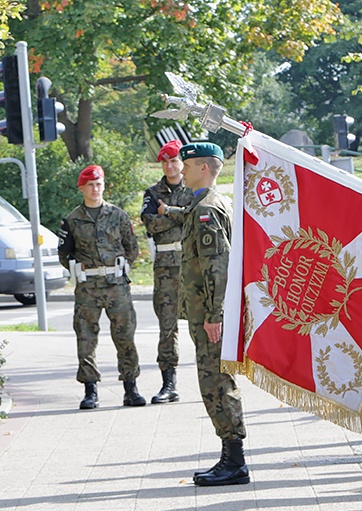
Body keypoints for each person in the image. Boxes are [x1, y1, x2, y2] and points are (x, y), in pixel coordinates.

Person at [178, 142, 249, 487]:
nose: (182, 170)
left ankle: (234, 461)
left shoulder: (207, 209)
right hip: (207, 313)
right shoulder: (210, 204)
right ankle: (230, 456)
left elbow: (217, 267)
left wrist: (214, 314)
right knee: (216, 381)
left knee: (217, 383)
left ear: (204, 168)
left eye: (187, 164)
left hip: (210, 316)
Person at [57, 165, 145, 410]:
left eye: (99, 184)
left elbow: (132, 248)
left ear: (104, 186)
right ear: (82, 188)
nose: (95, 189)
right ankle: (90, 390)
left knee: (125, 336)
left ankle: (131, 387)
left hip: (117, 286)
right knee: (86, 339)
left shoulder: (118, 215)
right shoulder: (72, 220)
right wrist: (77, 266)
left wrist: (122, 266)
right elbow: (64, 253)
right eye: (90, 185)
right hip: (88, 288)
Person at [141, 139, 193, 405]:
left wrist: (169, 211)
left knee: (206, 324)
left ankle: (218, 376)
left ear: (182, 163)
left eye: (174, 160)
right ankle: (168, 384)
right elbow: (150, 223)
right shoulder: (152, 192)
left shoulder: (195, 188)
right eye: (165, 161)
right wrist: (179, 215)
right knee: (167, 328)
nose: (170, 166)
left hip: (192, 265)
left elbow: (195, 217)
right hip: (165, 269)